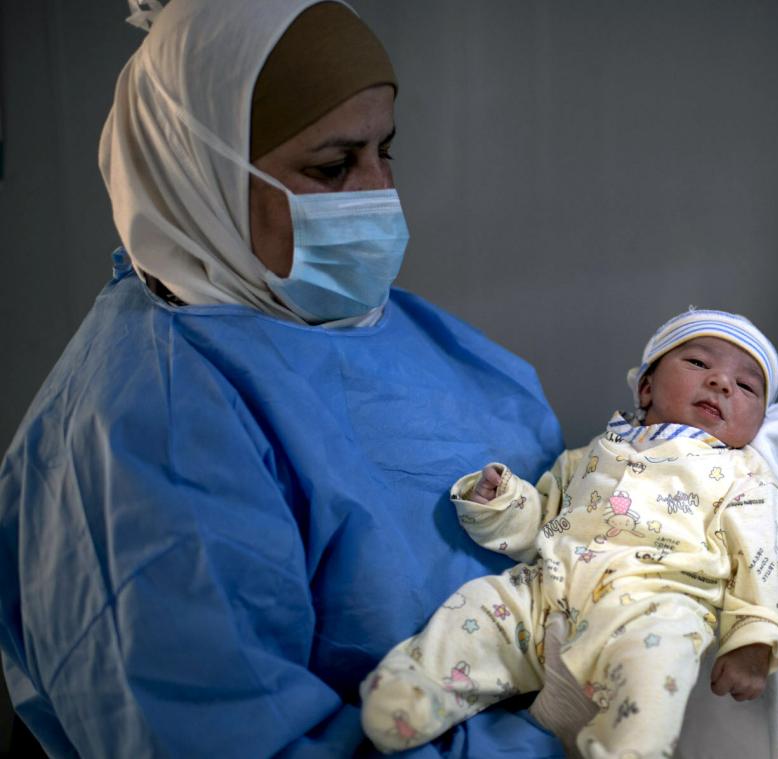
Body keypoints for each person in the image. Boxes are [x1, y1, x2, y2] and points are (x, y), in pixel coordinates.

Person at [0, 1, 569, 756]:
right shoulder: (152, 428)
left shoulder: (348, 317)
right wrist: (556, 734)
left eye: (384, 151)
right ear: (195, 173)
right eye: (333, 167)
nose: (378, 193)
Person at [360, 309, 778, 757]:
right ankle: (417, 693)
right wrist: (503, 502)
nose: (722, 383)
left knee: (658, 665)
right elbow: (542, 523)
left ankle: (627, 751)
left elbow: (764, 559)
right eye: (699, 364)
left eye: (746, 386)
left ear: (757, 424)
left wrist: (755, 640)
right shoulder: (592, 453)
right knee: (480, 605)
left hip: (654, 604)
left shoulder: (744, 476)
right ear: (646, 387)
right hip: (548, 588)